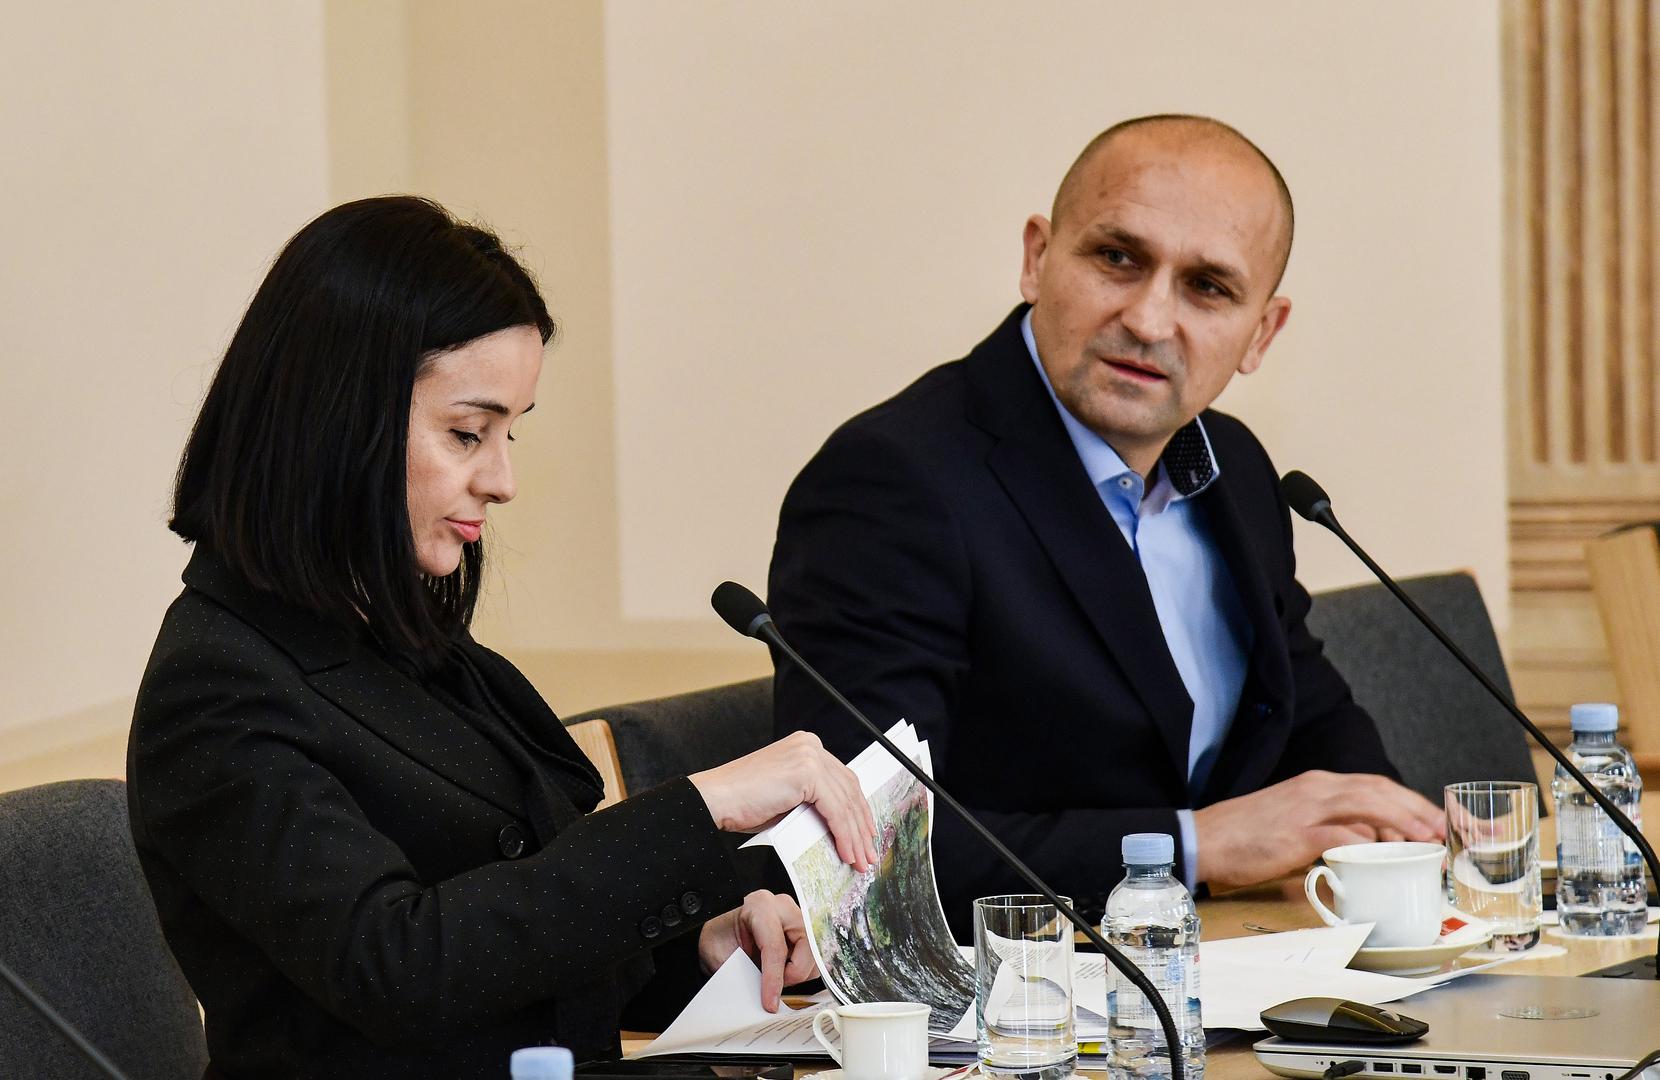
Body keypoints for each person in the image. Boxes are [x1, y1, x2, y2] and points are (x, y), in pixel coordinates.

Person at [129, 196, 878, 1079]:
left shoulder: (404, 637)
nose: (504, 479)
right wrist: (702, 802)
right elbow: (400, 968)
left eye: (509, 432)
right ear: (336, 418)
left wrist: (702, 949)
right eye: (467, 433)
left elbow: (523, 937)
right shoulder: (217, 683)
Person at [767, 115, 1445, 937]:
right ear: (1037, 259)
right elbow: (872, 848)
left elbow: (1303, 715)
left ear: (1261, 332)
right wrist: (1194, 846)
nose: (1150, 321)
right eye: (1118, 258)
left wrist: (1400, 833)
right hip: (1022, 990)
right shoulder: (891, 481)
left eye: (1208, 287)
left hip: (1210, 961)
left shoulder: (1232, 465)